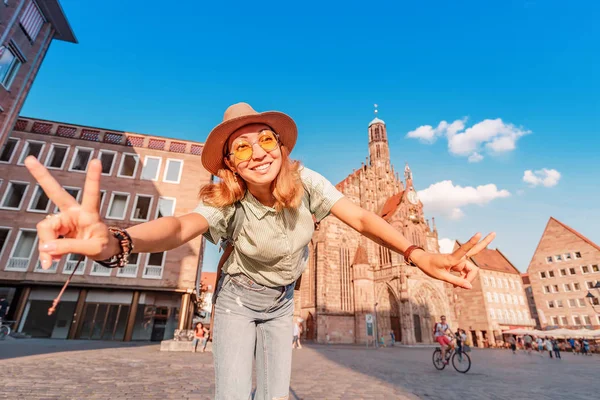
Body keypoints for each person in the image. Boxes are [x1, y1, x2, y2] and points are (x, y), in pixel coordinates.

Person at [25, 102, 495, 400]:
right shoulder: (226, 202)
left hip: (281, 301)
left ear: (282, 146)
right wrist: (118, 241)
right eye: (242, 149)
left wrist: (418, 255)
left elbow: (362, 219)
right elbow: (178, 227)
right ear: (230, 164)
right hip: (235, 299)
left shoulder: (307, 183)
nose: (260, 152)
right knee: (232, 394)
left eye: (266, 140)